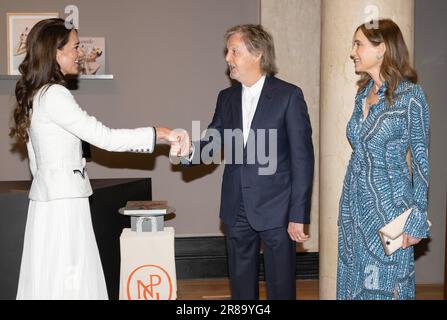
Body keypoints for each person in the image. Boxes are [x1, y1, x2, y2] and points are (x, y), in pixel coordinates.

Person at [9, 18, 189, 300]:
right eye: (76, 46)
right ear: (57, 53)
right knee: (72, 276)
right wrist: (157, 134)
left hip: (46, 202)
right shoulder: (55, 95)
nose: (80, 52)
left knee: (50, 275)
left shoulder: (36, 95)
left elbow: (35, 162)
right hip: (65, 203)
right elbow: (104, 137)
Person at [177, 24, 314, 300]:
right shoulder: (226, 98)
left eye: (234, 51)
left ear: (257, 54)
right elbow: (212, 142)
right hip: (236, 206)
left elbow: (303, 159)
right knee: (240, 287)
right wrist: (186, 151)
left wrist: (298, 215)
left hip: (278, 209)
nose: (227, 58)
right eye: (227, 51)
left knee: (281, 288)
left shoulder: (289, 96)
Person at [336, 19, 430, 300]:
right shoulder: (362, 94)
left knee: (385, 288)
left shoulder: (411, 97)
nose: (353, 51)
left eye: (359, 44)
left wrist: (416, 220)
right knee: (352, 285)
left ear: (382, 49)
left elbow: (422, 164)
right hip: (353, 209)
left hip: (389, 213)